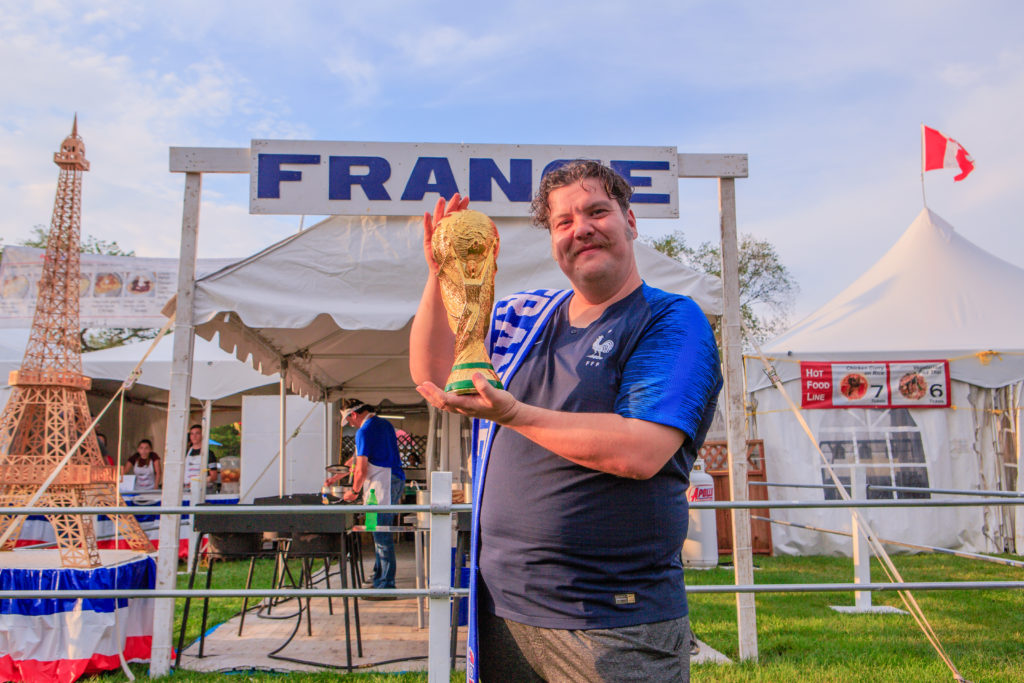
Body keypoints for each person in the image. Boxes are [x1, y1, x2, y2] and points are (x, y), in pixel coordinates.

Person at [409, 160, 722, 682]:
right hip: (503, 604)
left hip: (613, 617)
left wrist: (514, 413)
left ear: (630, 220)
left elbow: (639, 451)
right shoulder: (522, 316)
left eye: (597, 211)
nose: (582, 229)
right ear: (553, 239)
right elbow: (437, 372)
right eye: (563, 222)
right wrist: (442, 275)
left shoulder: (669, 319)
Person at [326, 401, 406, 595]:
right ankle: (379, 575)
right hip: (392, 479)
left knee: (380, 533)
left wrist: (353, 491)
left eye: (349, 420)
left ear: (354, 414)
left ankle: (386, 585)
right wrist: (341, 473)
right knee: (375, 527)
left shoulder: (363, 431)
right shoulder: (384, 424)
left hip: (382, 484)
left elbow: (361, 469)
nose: (350, 425)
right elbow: (357, 458)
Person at [184, 424, 218, 491]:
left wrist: (198, 482)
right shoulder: (185, 453)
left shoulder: (209, 454)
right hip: (186, 489)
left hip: (202, 490)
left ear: (202, 435)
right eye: (192, 434)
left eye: (197, 433)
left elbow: (214, 476)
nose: (194, 436)